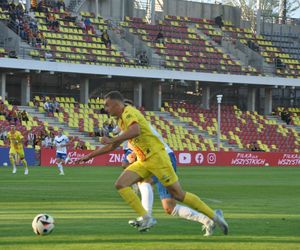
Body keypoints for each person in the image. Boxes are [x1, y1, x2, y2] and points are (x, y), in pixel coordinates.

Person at [76, 91, 228, 233]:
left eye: (107, 105)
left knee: (178, 194)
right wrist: (89, 156)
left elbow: (135, 131)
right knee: (121, 184)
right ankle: (147, 218)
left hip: (157, 158)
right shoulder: (122, 121)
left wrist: (113, 138)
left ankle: (213, 217)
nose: (106, 109)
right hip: (144, 160)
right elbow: (112, 146)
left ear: (117, 104)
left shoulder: (129, 113)